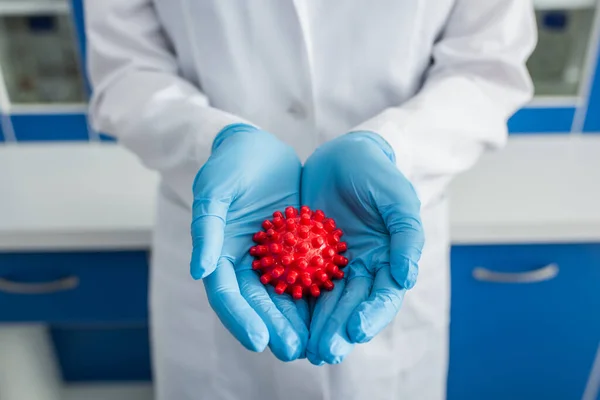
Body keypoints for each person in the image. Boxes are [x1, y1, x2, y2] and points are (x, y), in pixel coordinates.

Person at [84, 1, 536, 399]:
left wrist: (394, 145)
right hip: (222, 227)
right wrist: (211, 139)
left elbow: (487, 69)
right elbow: (126, 71)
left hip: (382, 220)